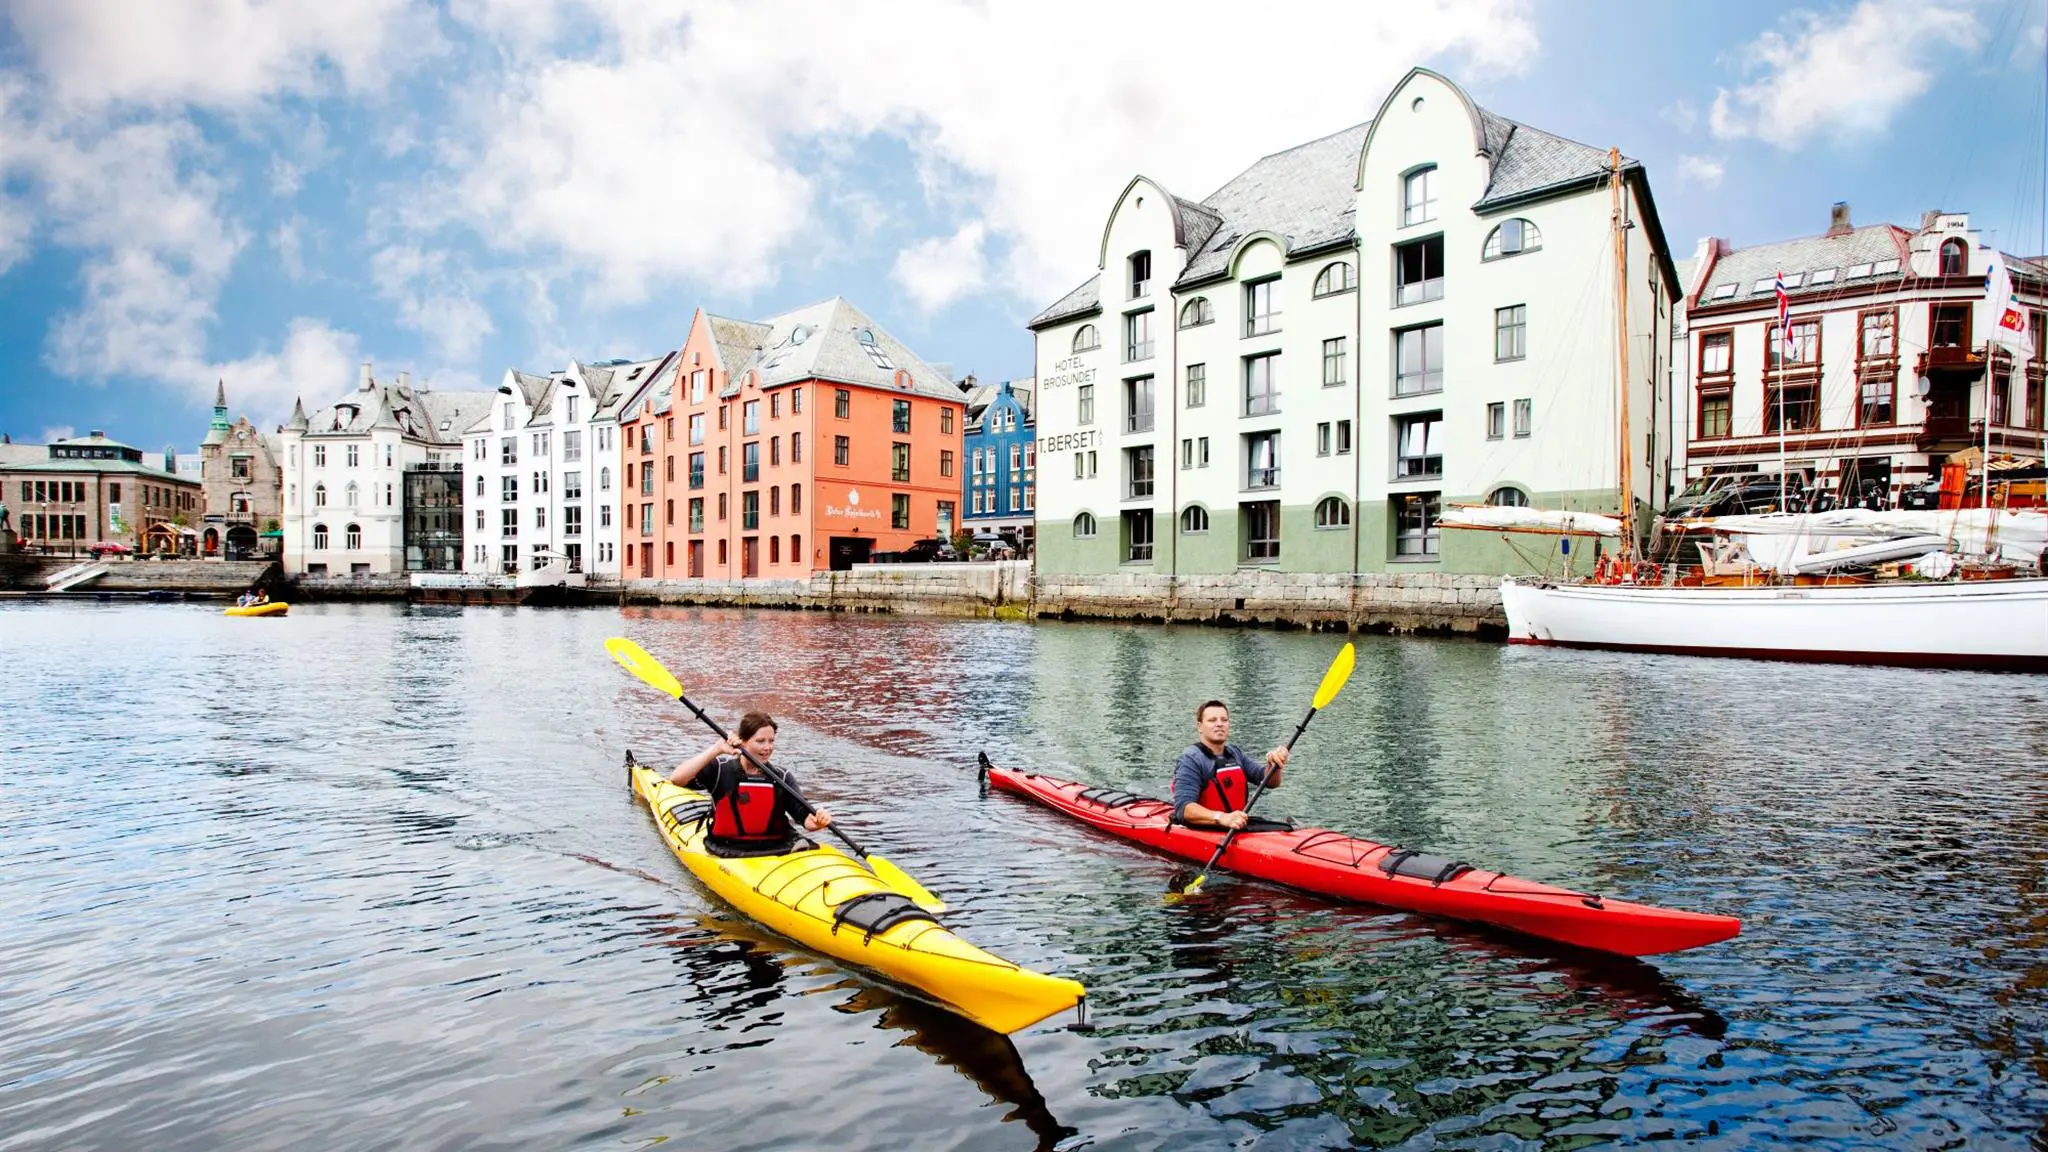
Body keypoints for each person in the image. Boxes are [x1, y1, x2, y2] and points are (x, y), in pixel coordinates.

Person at [670, 711, 831, 854]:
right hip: (728, 848)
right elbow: (677, 778)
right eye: (760, 741)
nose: (768, 747)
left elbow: (806, 820)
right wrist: (717, 749)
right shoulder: (720, 769)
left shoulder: (782, 777)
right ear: (743, 741)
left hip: (778, 847)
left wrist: (819, 821)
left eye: (771, 741)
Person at [1170, 699, 1290, 831]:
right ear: (1200, 727)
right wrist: (1222, 818)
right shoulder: (1191, 759)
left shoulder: (1234, 753)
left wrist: (1274, 764)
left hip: (1237, 828)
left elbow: (1270, 782)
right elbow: (1183, 809)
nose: (1219, 724)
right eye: (1212, 720)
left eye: (1224, 720)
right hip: (1205, 830)